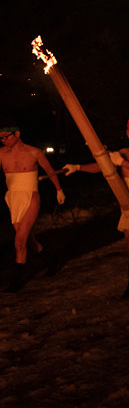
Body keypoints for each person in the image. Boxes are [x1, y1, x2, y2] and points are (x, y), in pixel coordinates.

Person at [64, 117, 129, 298]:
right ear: (126, 132)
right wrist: (77, 167)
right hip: (128, 205)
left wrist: (121, 162)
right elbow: (101, 166)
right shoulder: (122, 152)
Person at [1, 123, 65, 292]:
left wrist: (59, 190)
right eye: (0, 138)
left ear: (17, 134)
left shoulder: (33, 152)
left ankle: (17, 281)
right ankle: (51, 259)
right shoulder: (1, 153)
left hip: (31, 196)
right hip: (13, 197)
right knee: (28, 240)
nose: (3, 140)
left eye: (5, 136)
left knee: (19, 241)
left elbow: (50, 171)